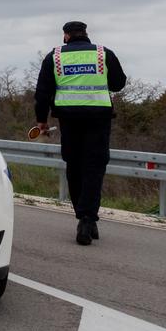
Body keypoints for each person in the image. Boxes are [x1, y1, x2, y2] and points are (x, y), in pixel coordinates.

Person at [34, 21, 127, 245]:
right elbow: (118, 83)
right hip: (98, 120)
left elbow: (43, 92)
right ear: (86, 34)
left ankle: (84, 216)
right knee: (94, 168)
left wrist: (41, 121)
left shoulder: (55, 57)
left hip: (69, 120)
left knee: (74, 167)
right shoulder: (103, 54)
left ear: (66, 36)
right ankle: (88, 218)